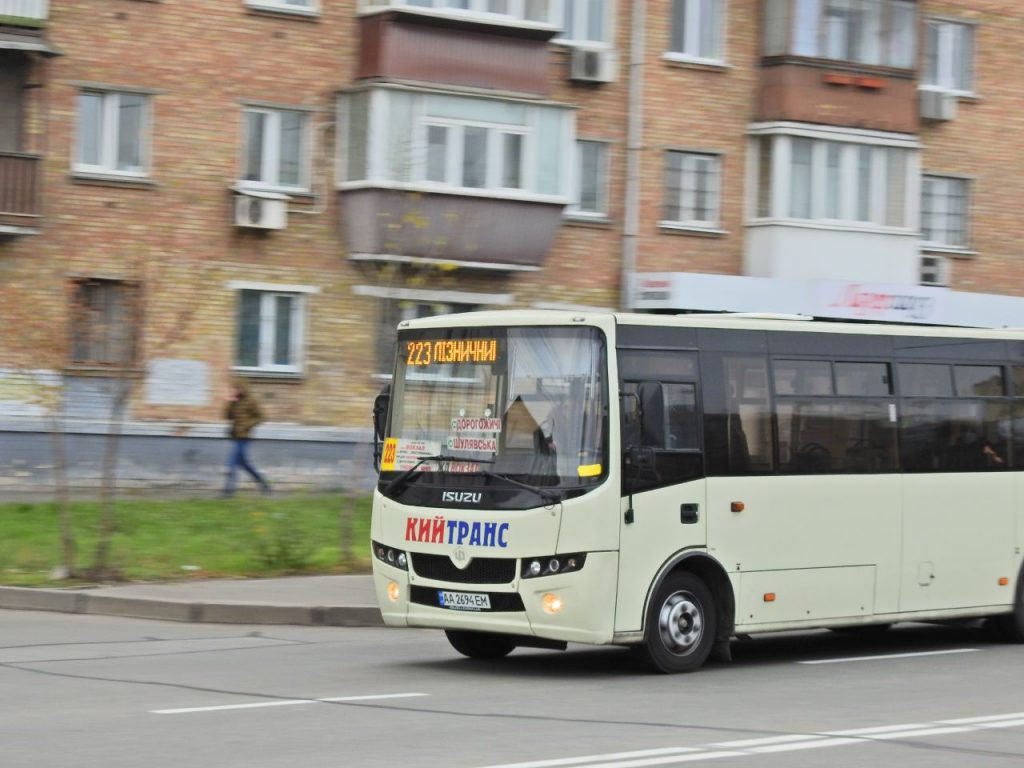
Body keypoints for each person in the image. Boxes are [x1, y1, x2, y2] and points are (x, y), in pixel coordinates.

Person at [223, 379, 271, 497]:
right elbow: (227, 416)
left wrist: (247, 425)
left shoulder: (251, 401)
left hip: (245, 437)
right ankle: (264, 484)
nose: (233, 391)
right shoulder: (235, 401)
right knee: (244, 464)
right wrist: (230, 402)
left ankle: (229, 490)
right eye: (232, 389)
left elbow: (262, 417)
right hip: (236, 436)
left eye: (235, 389)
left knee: (232, 462)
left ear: (241, 388)